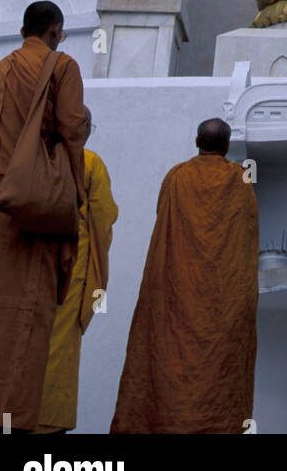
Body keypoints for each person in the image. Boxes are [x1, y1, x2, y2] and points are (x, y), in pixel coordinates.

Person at [0, 1, 86, 432]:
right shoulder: (60, 68)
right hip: (29, 225)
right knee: (21, 332)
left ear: (24, 31)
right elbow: (72, 132)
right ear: (55, 31)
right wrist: (73, 212)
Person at [110, 117, 259, 434]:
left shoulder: (177, 177)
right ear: (228, 146)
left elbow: (163, 219)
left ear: (196, 142)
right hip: (222, 306)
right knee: (219, 383)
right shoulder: (241, 180)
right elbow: (246, 238)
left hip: (175, 299)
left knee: (165, 371)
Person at [35, 107, 118, 433]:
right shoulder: (90, 163)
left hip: (28, 266)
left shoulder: (34, 158)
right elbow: (104, 217)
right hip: (69, 275)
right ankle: (47, 422)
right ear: (80, 127)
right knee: (57, 352)